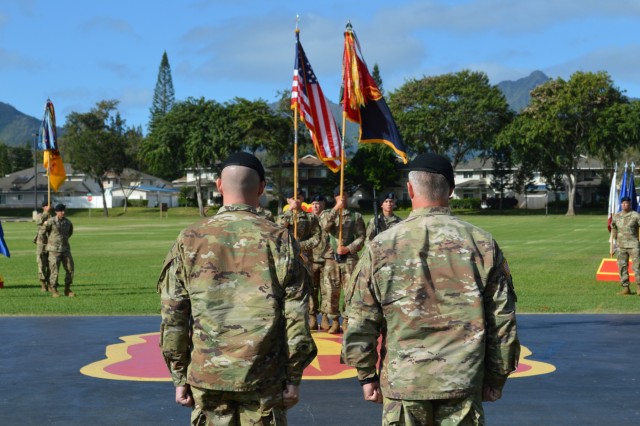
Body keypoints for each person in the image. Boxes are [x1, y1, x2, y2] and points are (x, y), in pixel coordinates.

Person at [342, 153, 520, 425]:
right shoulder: (482, 243)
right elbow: (502, 318)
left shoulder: (381, 246)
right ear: (451, 191)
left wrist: (366, 375)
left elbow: (360, 317)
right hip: (462, 381)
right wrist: (497, 376)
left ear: (410, 190)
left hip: (406, 384)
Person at [158, 152, 317, 425]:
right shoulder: (280, 240)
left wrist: (179, 376)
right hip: (263, 378)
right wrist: (293, 377)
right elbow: (297, 316)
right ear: (262, 187)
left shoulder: (190, 239)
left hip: (208, 376)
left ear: (219, 185)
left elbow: (173, 314)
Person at [320, 187, 366, 334]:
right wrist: (336, 209)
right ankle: (334, 320)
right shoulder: (327, 213)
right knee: (331, 291)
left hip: (349, 259)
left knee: (349, 291)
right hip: (331, 258)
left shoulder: (356, 215)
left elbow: (361, 237)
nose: (342, 197)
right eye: (339, 195)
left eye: (344, 195)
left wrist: (349, 248)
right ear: (335, 197)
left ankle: (346, 320)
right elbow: (324, 227)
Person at [277, 189, 321, 329]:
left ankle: (311, 315)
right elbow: (277, 232)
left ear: (302, 199)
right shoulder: (282, 217)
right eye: (292, 197)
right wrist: (289, 213)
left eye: (299, 197)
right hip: (286, 259)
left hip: (304, 258)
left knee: (308, 287)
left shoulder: (310, 218)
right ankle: (286, 317)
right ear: (288, 200)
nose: (296, 200)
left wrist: (301, 245)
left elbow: (317, 237)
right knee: (286, 287)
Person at [610, 195, 640, 295]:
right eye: (622, 203)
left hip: (634, 245)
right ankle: (626, 288)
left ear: (630, 204)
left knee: (637, 266)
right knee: (622, 267)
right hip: (621, 246)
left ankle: (639, 287)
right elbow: (614, 229)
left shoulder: (635, 215)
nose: (624, 205)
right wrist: (614, 243)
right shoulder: (617, 216)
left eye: (626, 203)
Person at [44, 203, 74, 298]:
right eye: (61, 211)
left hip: (65, 249)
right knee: (54, 271)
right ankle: (53, 289)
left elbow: (69, 233)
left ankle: (67, 289)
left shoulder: (68, 222)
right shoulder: (51, 221)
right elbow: (43, 231)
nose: (63, 212)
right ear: (57, 212)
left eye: (64, 210)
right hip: (53, 250)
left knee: (70, 269)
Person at [310, 195, 330, 331]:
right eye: (314, 204)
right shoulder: (307, 219)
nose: (316, 206)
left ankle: (324, 316)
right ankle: (312, 316)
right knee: (312, 290)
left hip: (326, 259)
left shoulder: (329, 217)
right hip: (310, 259)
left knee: (326, 290)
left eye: (319, 203)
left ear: (323, 204)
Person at [34, 200, 51, 292]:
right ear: (43, 207)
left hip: (51, 244)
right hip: (41, 244)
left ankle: (50, 283)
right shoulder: (40, 215)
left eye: (49, 206)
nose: (48, 207)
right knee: (41, 264)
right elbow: (38, 221)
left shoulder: (52, 217)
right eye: (46, 206)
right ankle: (43, 284)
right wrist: (46, 213)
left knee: (51, 264)